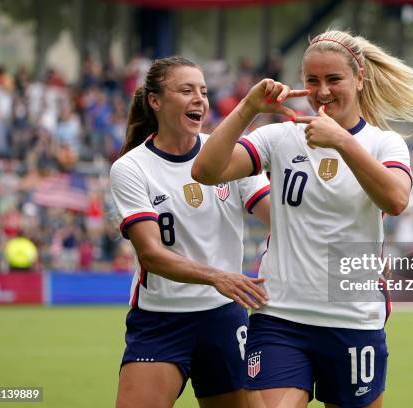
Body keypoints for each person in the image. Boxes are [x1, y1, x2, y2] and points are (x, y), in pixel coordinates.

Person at [192, 30, 413, 408]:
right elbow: (206, 171)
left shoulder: (384, 143)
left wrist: (342, 141)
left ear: (359, 79)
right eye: (312, 80)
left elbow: (395, 199)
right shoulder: (280, 137)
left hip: (353, 317)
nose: (322, 91)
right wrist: (248, 108)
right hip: (280, 314)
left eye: (334, 79)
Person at [110, 56, 271, 408]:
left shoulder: (232, 155)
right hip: (160, 320)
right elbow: (150, 254)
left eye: (203, 90)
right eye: (186, 90)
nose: (200, 98)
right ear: (155, 101)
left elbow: (280, 221)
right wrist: (217, 276)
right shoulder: (131, 168)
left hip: (224, 316)